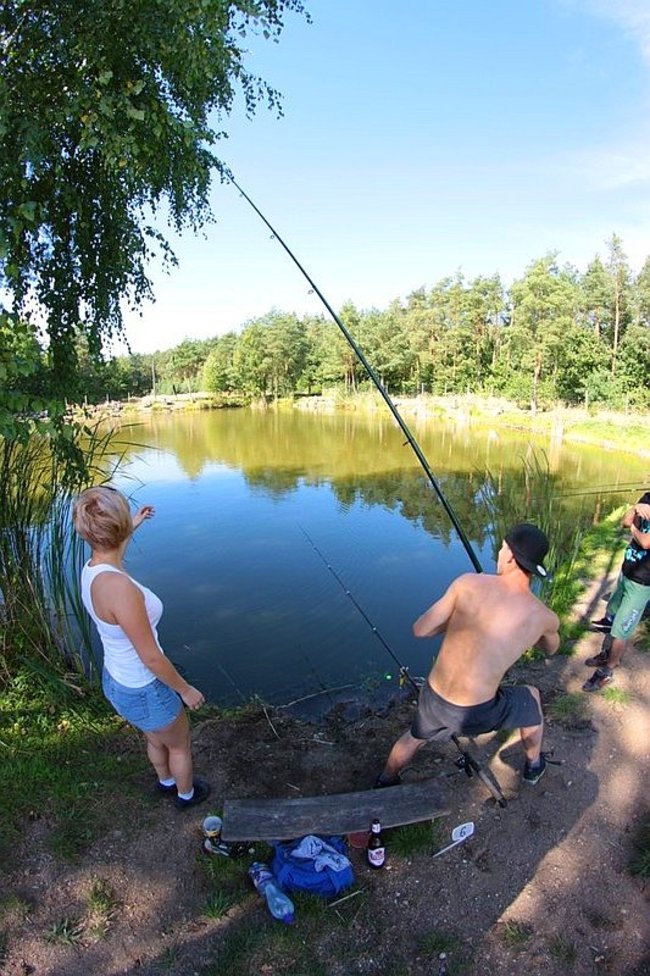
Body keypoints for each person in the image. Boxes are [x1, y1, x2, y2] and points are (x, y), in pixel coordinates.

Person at [376, 523, 560, 788]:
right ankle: (533, 766)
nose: (498, 553)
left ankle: (384, 780)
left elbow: (421, 629)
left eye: (500, 548)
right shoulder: (543, 616)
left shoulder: (466, 583)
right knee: (531, 696)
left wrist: (460, 623)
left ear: (509, 555)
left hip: (434, 699)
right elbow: (552, 648)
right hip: (477, 715)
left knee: (413, 737)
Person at [73, 485, 210, 809]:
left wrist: (134, 522)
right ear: (116, 527)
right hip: (145, 687)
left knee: (153, 735)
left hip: (117, 682)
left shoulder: (92, 568)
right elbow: (150, 656)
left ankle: (164, 782)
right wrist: (184, 689)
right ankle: (186, 795)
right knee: (178, 745)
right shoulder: (119, 589)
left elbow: (112, 546)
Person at [583, 493, 650, 692]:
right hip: (627, 572)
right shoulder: (648, 497)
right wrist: (636, 508)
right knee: (612, 614)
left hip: (643, 583)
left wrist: (633, 529)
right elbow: (624, 521)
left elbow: (646, 542)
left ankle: (609, 669)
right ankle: (607, 652)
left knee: (622, 627)